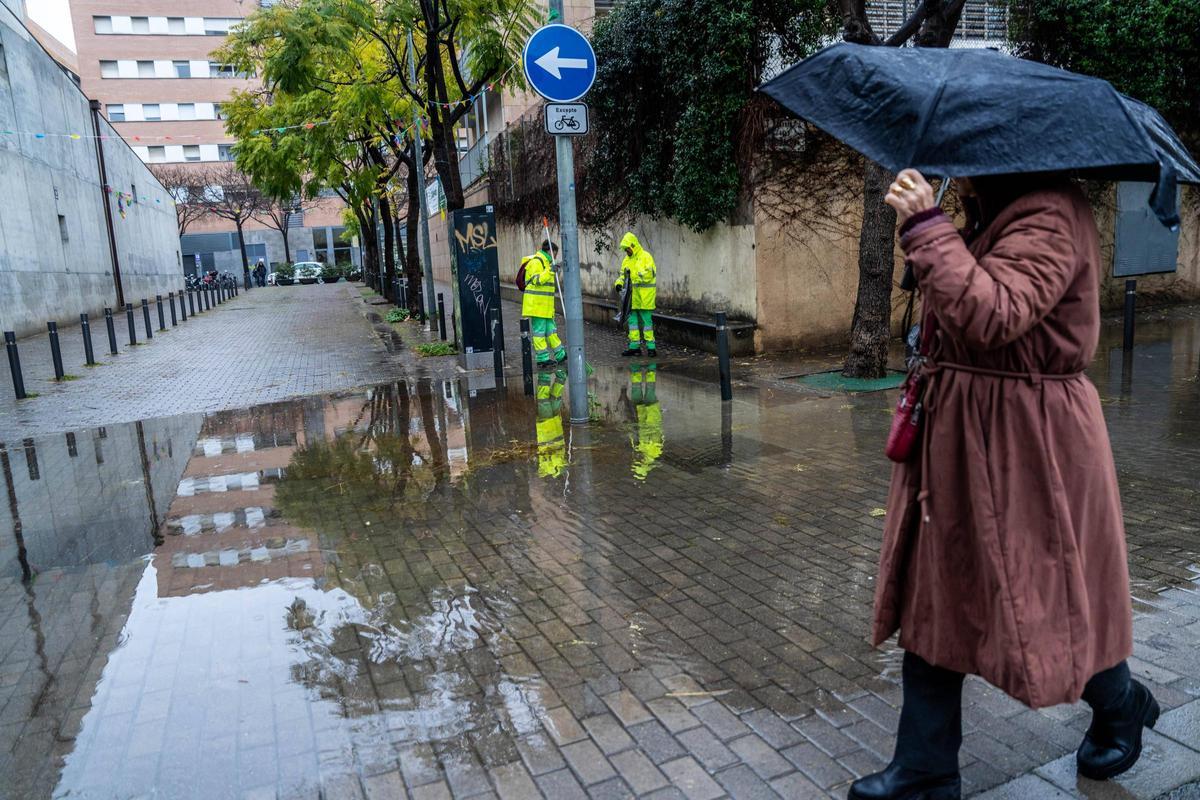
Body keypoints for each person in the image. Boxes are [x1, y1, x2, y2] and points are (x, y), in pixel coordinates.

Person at [849, 169, 1152, 800]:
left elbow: (994, 314)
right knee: (933, 599)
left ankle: (1121, 702)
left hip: (1031, 445)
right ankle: (926, 772)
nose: (956, 169)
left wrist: (926, 227)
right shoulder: (994, 208)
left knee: (1045, 602)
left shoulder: (1051, 213)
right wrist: (941, 238)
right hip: (962, 435)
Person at [521, 240, 566, 365]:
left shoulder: (546, 263)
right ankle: (542, 359)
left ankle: (560, 354)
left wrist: (555, 270)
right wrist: (551, 271)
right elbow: (537, 280)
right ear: (549, 252)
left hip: (545, 306)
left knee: (551, 331)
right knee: (539, 333)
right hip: (537, 306)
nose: (555, 257)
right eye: (555, 254)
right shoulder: (537, 261)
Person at [614, 232, 657, 357]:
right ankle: (634, 346)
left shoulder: (646, 257)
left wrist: (634, 276)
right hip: (631, 298)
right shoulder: (626, 260)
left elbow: (649, 274)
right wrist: (618, 284)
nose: (626, 251)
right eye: (625, 249)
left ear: (633, 246)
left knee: (646, 323)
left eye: (627, 248)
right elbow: (622, 276)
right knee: (632, 322)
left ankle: (651, 347)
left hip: (644, 298)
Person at [628, 361, 662, 481]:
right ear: (644, 464)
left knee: (636, 392)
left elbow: (634, 435)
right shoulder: (654, 453)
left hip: (640, 413)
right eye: (638, 463)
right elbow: (656, 432)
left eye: (635, 462)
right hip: (651, 414)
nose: (636, 459)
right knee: (649, 393)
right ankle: (651, 369)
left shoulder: (638, 450)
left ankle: (635, 369)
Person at [535, 367, 568, 479]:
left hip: (555, 427)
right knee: (544, 399)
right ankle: (545, 375)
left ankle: (561, 375)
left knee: (555, 398)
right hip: (546, 427)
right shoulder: (545, 470)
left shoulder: (553, 469)